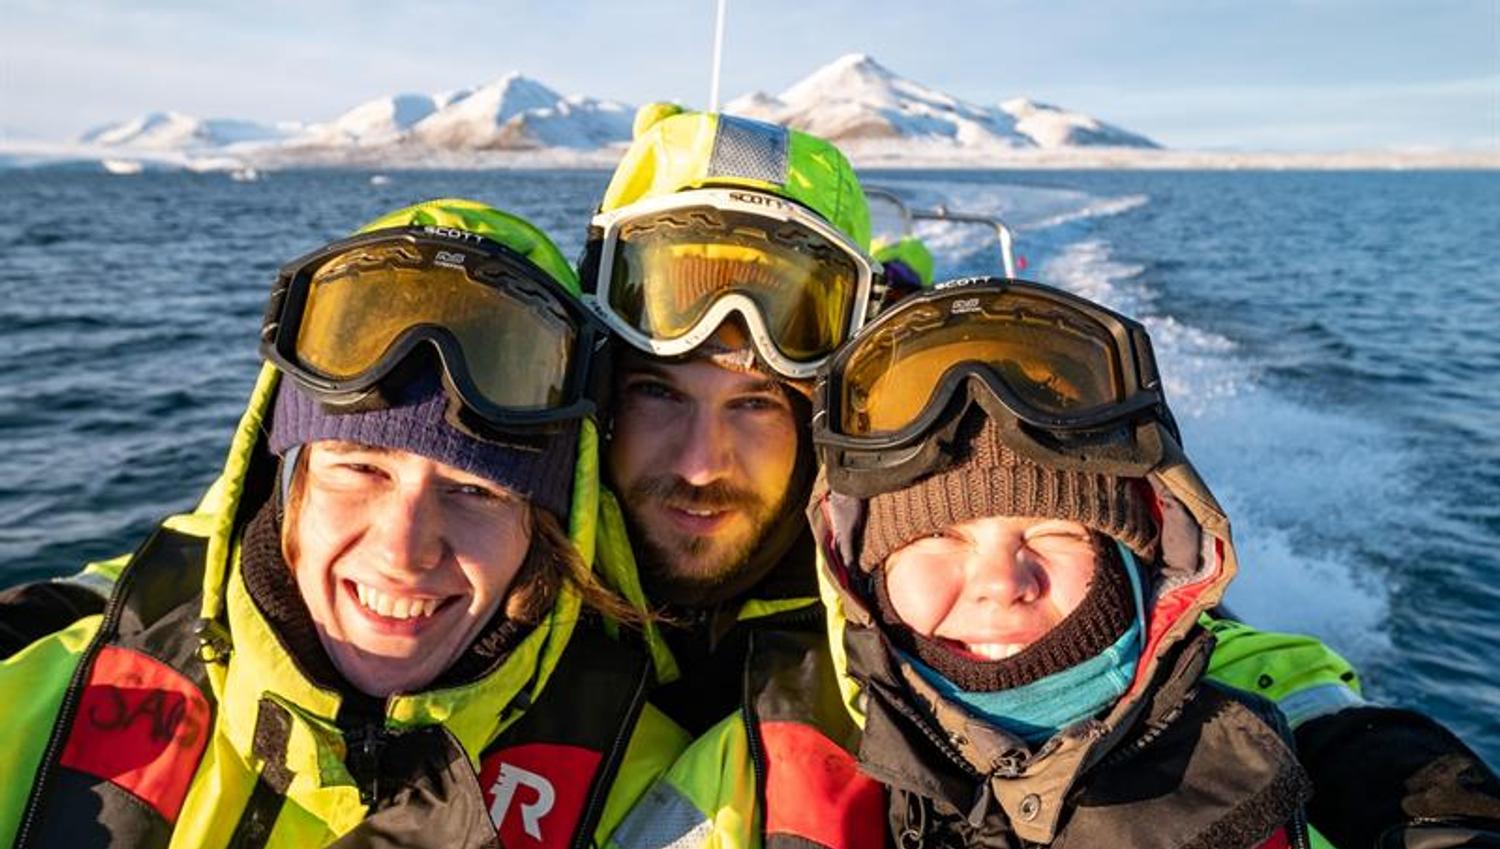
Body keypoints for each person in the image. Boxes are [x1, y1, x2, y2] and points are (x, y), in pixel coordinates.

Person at [0, 199, 675, 848]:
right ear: (288, 485)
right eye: (360, 469)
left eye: (475, 489)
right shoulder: (42, 696)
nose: (402, 549)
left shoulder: (655, 797)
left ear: (546, 532)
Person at [806, 277, 1500, 847]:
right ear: (867, 570)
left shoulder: (1271, 721)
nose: (998, 584)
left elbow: (1361, 751)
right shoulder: (792, 739)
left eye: (1056, 531)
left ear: (1136, 555)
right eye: (939, 537)